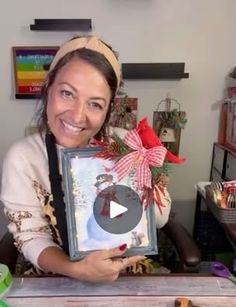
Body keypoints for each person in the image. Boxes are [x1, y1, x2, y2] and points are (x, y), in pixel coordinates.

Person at [0, 36, 171, 282]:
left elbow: (160, 220)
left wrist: (148, 171)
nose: (78, 115)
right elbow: (30, 236)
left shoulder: (125, 146)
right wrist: (77, 270)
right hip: (55, 278)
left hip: (126, 275)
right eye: (67, 93)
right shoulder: (24, 158)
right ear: (48, 88)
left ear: (108, 110)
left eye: (95, 104)